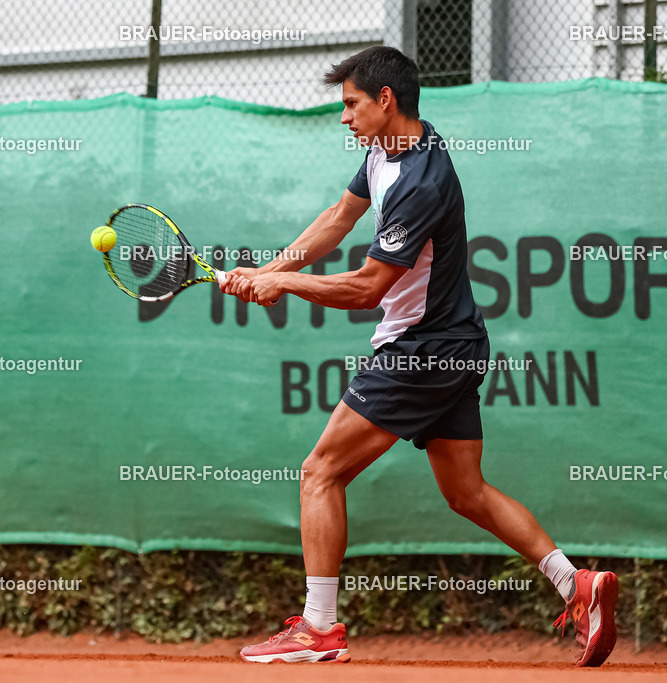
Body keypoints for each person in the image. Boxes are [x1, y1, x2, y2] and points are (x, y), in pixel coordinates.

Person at [219, 45, 618, 667]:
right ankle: (577, 584)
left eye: (351, 104)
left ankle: (319, 628)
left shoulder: (419, 181)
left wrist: (285, 284)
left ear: (385, 100)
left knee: (319, 472)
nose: (344, 118)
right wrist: (267, 270)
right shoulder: (389, 148)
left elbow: (366, 287)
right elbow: (337, 217)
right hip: (455, 343)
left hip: (422, 349)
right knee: (466, 491)